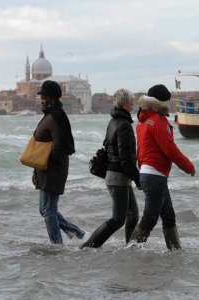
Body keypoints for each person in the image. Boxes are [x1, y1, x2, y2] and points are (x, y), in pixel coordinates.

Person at [129, 84, 195, 250]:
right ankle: (130, 251)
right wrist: (189, 167)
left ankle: (175, 251)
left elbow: (141, 152)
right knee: (150, 218)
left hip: (149, 173)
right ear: (163, 103)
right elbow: (170, 149)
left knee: (168, 216)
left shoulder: (143, 122)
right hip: (155, 175)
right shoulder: (158, 121)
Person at [80, 88, 140, 249]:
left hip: (116, 175)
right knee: (118, 219)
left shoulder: (113, 121)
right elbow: (125, 158)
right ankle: (88, 246)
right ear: (124, 104)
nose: (133, 104)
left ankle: (132, 247)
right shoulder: (124, 125)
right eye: (131, 101)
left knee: (133, 215)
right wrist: (139, 179)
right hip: (118, 176)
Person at [32, 80, 85, 244]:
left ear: (54, 98)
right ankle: (78, 234)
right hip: (44, 169)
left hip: (53, 170)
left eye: (45, 96)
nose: (42, 99)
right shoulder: (49, 115)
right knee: (44, 210)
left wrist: (46, 166)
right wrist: (36, 170)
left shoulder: (56, 117)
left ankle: (57, 246)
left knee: (49, 210)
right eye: (41, 96)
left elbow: (59, 145)